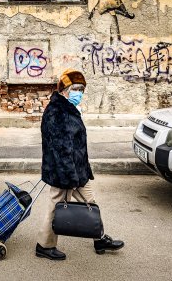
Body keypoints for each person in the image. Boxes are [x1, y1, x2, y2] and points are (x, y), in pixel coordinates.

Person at [35, 68, 124, 261]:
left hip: (77, 170)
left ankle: (99, 238)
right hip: (65, 173)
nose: (80, 93)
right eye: (76, 89)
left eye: (82, 89)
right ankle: (44, 246)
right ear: (64, 89)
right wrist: (71, 178)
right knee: (56, 206)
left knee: (90, 203)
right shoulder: (58, 112)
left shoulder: (68, 108)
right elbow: (61, 149)